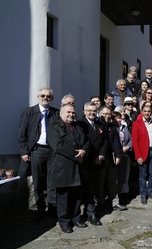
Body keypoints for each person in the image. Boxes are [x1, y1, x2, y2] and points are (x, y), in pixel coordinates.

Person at [18, 88, 60, 219]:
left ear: (52, 99)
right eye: (43, 95)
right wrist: (24, 151)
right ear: (38, 97)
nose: (45, 98)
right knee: (38, 182)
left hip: (52, 151)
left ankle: (52, 208)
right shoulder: (29, 112)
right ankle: (41, 209)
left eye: (48, 96)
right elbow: (21, 133)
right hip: (36, 151)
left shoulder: (56, 113)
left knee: (52, 181)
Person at [48, 104, 89, 233]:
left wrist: (84, 151)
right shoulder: (55, 128)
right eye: (68, 112)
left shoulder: (77, 127)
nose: (71, 115)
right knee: (63, 197)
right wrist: (77, 156)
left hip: (78, 167)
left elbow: (87, 141)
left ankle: (76, 218)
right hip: (64, 167)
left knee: (77, 195)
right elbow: (58, 146)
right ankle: (64, 222)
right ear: (61, 113)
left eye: (73, 112)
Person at [77, 102, 108, 225]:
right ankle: (84, 213)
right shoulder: (80, 124)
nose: (92, 113)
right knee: (84, 189)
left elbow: (105, 142)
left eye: (94, 111)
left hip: (97, 161)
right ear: (84, 111)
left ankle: (90, 211)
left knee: (93, 188)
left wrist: (101, 155)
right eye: (89, 111)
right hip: (85, 161)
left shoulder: (100, 124)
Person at [132, 103, 152, 205]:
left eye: (149, 111)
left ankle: (151, 192)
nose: (147, 113)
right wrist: (138, 156)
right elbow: (134, 141)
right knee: (143, 175)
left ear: (151, 112)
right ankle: (143, 194)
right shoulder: (137, 123)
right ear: (142, 112)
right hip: (143, 152)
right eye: (145, 111)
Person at [113, 110, 133, 211]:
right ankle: (114, 200)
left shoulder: (124, 128)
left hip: (124, 155)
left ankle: (120, 198)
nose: (118, 120)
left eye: (120, 118)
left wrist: (128, 147)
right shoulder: (112, 129)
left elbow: (130, 140)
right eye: (116, 118)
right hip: (114, 157)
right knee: (114, 179)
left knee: (121, 178)